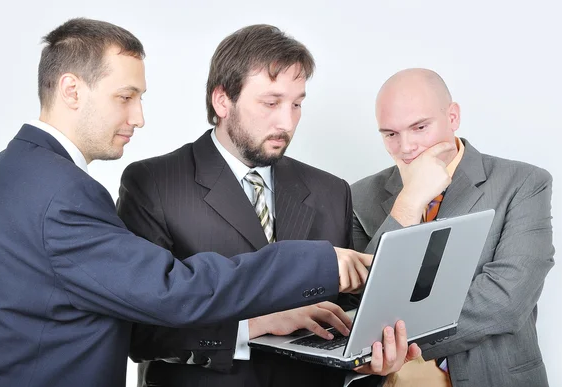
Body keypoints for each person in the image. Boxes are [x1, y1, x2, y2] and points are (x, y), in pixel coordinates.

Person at [0, 18, 384, 387]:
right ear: (71, 90)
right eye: (125, 96)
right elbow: (170, 290)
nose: (139, 117)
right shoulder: (65, 193)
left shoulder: (2, 173)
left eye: (296, 103)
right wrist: (315, 262)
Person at [117, 24, 420, 387]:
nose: (287, 121)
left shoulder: (331, 190)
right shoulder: (153, 183)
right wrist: (254, 325)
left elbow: (346, 322)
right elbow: (140, 331)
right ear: (222, 100)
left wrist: (367, 360)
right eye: (271, 103)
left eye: (297, 104)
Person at [351, 68, 555, 387]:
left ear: (453, 116)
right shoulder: (360, 195)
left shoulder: (523, 183)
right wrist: (410, 201)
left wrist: (399, 337)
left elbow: (505, 301)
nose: (406, 147)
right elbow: (360, 301)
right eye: (390, 134)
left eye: (419, 127)